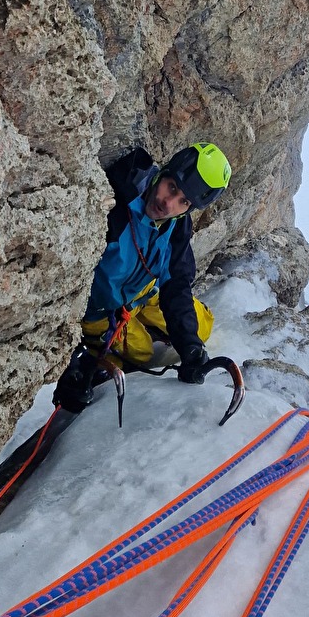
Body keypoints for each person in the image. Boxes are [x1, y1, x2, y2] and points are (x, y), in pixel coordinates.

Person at [53, 141, 232, 414]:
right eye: (171, 187)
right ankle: (103, 350)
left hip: (142, 293)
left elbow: (177, 285)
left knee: (202, 325)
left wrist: (191, 349)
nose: (168, 204)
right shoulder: (117, 205)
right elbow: (61, 283)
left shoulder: (176, 224)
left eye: (183, 201)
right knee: (142, 352)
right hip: (101, 309)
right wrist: (71, 365)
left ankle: (159, 332)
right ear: (164, 173)